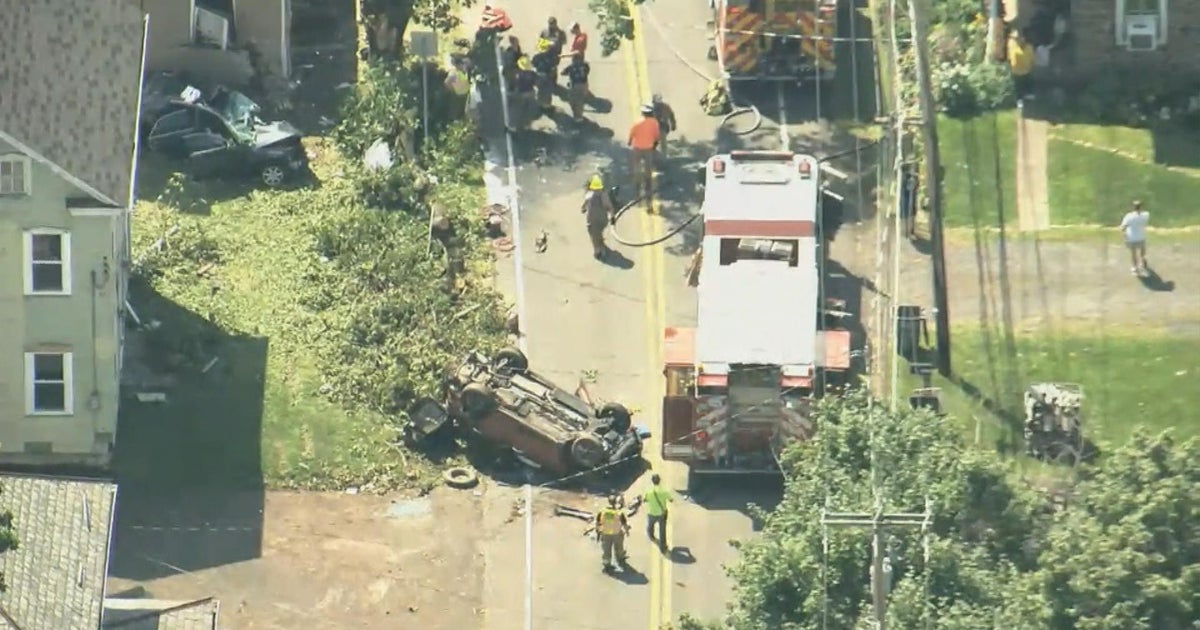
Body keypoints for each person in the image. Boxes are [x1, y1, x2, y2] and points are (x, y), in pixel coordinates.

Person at [628, 104, 661, 203]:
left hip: (637, 148)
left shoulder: (637, 122)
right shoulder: (654, 123)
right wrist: (655, 143)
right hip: (648, 148)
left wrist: (629, 141)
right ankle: (648, 182)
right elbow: (656, 135)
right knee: (648, 167)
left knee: (637, 166)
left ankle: (637, 184)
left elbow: (632, 133)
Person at [582, 174, 616, 259]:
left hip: (592, 220)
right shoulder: (604, 195)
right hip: (603, 219)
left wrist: (583, 209)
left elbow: (584, 206)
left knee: (594, 235)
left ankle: (598, 250)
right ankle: (600, 246)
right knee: (598, 232)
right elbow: (610, 207)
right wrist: (612, 217)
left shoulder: (589, 195)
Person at [595, 494, 630, 572]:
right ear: (615, 503)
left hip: (606, 533)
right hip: (616, 533)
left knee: (606, 550)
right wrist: (627, 532)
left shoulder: (602, 511)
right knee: (619, 547)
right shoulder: (619, 513)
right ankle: (620, 558)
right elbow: (624, 524)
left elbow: (597, 523)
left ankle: (607, 565)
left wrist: (597, 531)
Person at [1119, 200, 1150, 275]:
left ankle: (1135, 268)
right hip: (1141, 237)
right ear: (1141, 207)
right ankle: (1143, 265)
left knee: (1133, 254)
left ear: (1133, 208)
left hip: (1131, 237)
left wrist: (1124, 235)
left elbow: (1123, 227)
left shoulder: (1129, 216)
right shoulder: (1145, 215)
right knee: (1142, 252)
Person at [643, 473, 673, 549]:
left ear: (652, 481)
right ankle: (663, 546)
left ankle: (651, 536)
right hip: (661, 514)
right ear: (659, 481)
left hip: (651, 512)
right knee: (662, 530)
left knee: (650, 526)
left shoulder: (649, 491)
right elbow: (671, 500)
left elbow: (645, 500)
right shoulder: (664, 491)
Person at [531, 39, 558, 111]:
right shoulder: (553, 56)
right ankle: (547, 106)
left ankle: (541, 104)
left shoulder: (538, 55)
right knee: (547, 91)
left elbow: (533, 63)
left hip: (539, 74)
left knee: (541, 90)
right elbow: (554, 66)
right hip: (547, 75)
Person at [511, 56, 538, 128]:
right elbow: (536, 82)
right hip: (531, 92)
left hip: (521, 94)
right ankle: (528, 124)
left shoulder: (519, 75)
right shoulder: (532, 73)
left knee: (521, 109)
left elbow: (516, 84)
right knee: (529, 109)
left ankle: (520, 124)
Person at [562, 54, 591, 121]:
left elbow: (563, 73)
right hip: (584, 84)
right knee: (580, 100)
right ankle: (578, 115)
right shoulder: (585, 65)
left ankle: (578, 116)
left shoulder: (571, 66)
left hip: (575, 85)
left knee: (573, 100)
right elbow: (587, 72)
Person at [1008, 30, 1034, 103]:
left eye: (1020, 38)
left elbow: (1032, 59)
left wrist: (1031, 67)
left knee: (1027, 84)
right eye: (1017, 39)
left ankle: (1028, 97)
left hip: (1026, 70)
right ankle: (1019, 100)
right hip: (1016, 71)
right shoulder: (1012, 46)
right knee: (1018, 87)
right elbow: (1010, 58)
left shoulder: (1029, 47)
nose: (1019, 40)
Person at [540, 17, 568, 85]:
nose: (551, 25)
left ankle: (553, 82)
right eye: (550, 24)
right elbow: (540, 41)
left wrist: (556, 43)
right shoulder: (545, 31)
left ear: (556, 24)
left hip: (556, 53)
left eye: (552, 24)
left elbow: (564, 42)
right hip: (546, 52)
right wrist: (547, 44)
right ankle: (546, 81)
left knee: (553, 68)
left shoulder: (561, 32)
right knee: (546, 67)